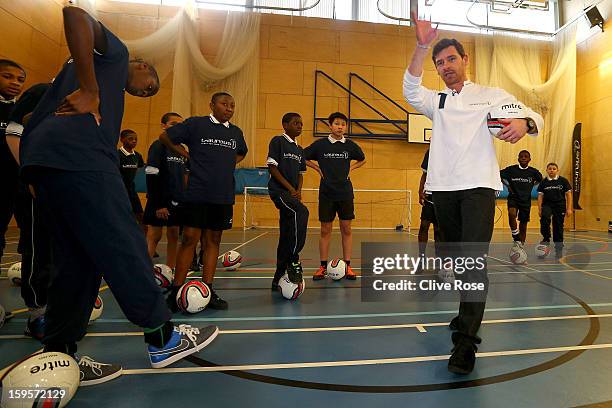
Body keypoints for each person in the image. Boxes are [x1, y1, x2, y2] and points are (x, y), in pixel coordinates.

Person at [19, 6, 218, 385]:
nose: (145, 91)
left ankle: (59, 356)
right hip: (82, 162)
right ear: (141, 64)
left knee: (77, 264)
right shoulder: (115, 54)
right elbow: (75, 14)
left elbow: (34, 121)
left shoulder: (72, 75)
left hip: (48, 167)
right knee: (123, 243)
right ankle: (162, 337)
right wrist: (92, 90)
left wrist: (36, 165)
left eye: (150, 94)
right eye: (150, 84)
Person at [403, 12, 543, 374]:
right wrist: (421, 46)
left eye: (451, 59)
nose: (446, 66)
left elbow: (530, 115)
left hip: (479, 188)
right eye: (440, 63)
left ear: (465, 60)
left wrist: (522, 122)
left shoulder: (491, 95)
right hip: (443, 191)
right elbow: (409, 89)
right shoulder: (436, 101)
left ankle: (465, 343)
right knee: (454, 257)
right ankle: (465, 315)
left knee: (472, 262)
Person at [160, 92, 248, 311]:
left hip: (223, 194)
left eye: (232, 105)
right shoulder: (196, 124)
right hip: (198, 192)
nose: (229, 108)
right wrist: (188, 157)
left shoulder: (236, 132)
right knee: (190, 238)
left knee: (213, 240)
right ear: (212, 105)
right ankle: (176, 289)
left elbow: (241, 153)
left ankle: (207, 289)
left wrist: (225, 163)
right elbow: (166, 137)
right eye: (224, 104)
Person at [5, 82, 53, 341]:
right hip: (37, 187)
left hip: (65, 187)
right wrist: (30, 174)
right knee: (38, 248)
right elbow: (14, 132)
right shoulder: (41, 92)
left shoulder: (87, 97)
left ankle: (56, 308)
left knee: (60, 250)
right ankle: (37, 313)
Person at [305, 112, 366, 281]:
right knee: (325, 230)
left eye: (343, 124)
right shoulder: (320, 145)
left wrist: (351, 169)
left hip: (345, 192)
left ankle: (348, 266)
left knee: (346, 229)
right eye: (337, 124)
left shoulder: (350, 145)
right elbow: (302, 157)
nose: (340, 127)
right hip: (326, 193)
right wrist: (316, 168)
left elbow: (362, 159)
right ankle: (322, 266)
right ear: (330, 126)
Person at [267, 113, 309, 289]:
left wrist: (298, 189)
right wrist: (290, 189)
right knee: (302, 212)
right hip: (279, 191)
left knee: (286, 233)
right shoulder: (278, 141)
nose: (299, 126)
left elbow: (300, 173)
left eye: (301, 123)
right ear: (285, 125)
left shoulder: (300, 150)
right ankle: (293, 258)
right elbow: (272, 167)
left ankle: (278, 277)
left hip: (291, 193)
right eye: (295, 123)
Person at [144, 112, 186, 270]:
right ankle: (145, 271)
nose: (178, 128)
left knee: (174, 234)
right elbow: (151, 173)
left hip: (176, 201)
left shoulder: (181, 149)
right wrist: (159, 204)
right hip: (159, 200)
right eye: (173, 124)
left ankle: (170, 269)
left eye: (181, 125)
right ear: (164, 126)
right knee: (154, 235)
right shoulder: (158, 145)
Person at [0, 59, 26, 260]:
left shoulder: (23, 112)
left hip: (14, 184)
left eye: (20, 79)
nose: (15, 82)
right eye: (7, 76)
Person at [500, 150, 543, 250]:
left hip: (525, 200)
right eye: (521, 156)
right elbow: (498, 175)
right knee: (512, 213)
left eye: (526, 156)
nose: (523, 158)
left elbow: (540, 180)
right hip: (513, 197)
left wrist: (532, 185)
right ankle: (515, 236)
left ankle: (520, 246)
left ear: (529, 159)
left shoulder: (533, 172)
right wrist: (507, 185)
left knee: (523, 225)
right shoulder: (511, 170)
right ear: (518, 158)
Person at [537, 162, 572, 258]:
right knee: (544, 220)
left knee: (558, 226)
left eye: (554, 169)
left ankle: (558, 248)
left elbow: (568, 195)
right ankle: (546, 238)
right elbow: (540, 196)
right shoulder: (543, 182)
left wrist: (569, 208)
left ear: (557, 170)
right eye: (550, 169)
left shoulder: (563, 181)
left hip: (559, 206)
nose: (552, 170)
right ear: (547, 170)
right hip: (547, 205)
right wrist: (540, 209)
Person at [417, 148, 440, 272]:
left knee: (438, 230)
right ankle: (421, 258)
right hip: (430, 193)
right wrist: (420, 190)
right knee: (424, 225)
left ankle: (439, 260)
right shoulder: (430, 151)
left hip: (443, 194)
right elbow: (424, 173)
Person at [118, 129, 145, 223]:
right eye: (130, 139)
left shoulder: (137, 156)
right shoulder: (117, 155)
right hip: (119, 191)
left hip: (132, 191)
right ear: (122, 139)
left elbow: (140, 170)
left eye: (135, 139)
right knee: (121, 216)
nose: (134, 141)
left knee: (140, 216)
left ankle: (142, 237)